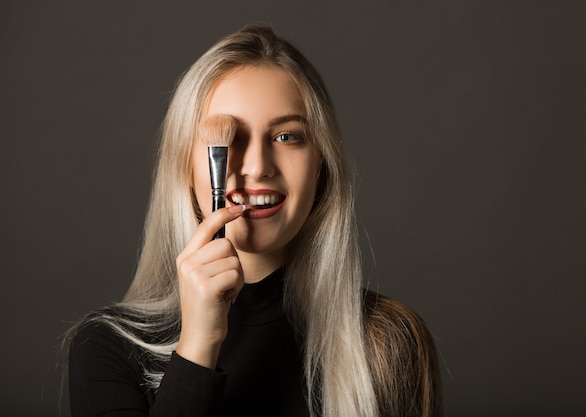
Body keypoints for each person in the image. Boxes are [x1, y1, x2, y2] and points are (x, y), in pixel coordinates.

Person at [66, 25, 442, 417]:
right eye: (233, 139)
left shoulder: (389, 341)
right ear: (184, 168)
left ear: (322, 167)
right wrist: (199, 345)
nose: (258, 168)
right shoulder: (108, 349)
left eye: (286, 137)